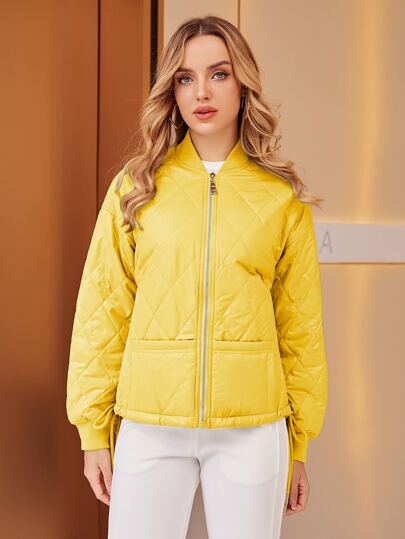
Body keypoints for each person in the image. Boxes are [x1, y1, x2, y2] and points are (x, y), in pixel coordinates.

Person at [66, 15, 328, 539]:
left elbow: (300, 331)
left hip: (253, 428)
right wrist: (93, 431)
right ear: (172, 90)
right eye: (185, 78)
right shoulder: (136, 188)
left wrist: (298, 444)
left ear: (243, 84)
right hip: (149, 421)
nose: (201, 92)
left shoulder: (281, 198)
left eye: (219, 74)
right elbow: (102, 311)